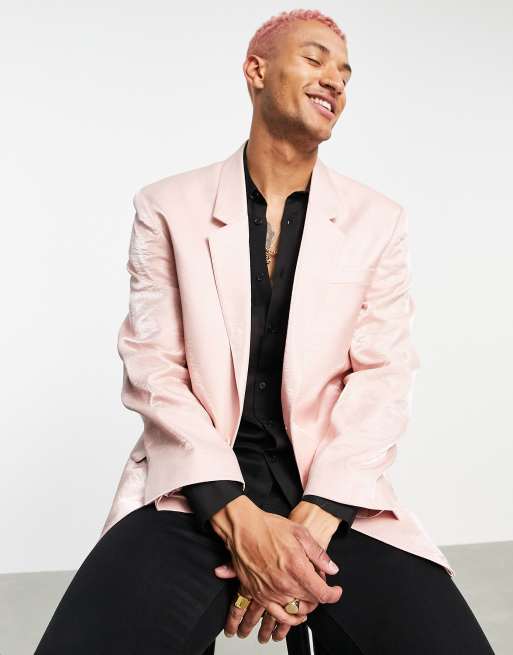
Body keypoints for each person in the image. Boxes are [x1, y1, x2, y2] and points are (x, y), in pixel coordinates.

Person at [35, 8, 496, 654]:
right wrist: (241, 523)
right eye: (314, 59)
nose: (334, 79)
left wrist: (311, 525)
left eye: (345, 73)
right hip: (198, 488)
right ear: (256, 70)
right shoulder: (167, 207)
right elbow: (154, 370)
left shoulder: (378, 220)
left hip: (331, 495)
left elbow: (383, 379)